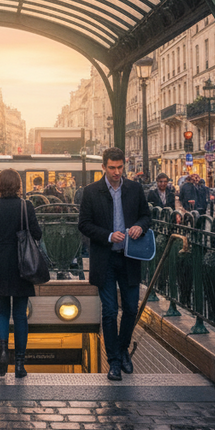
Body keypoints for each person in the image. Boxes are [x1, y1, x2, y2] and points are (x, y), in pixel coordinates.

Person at [78, 147, 151, 381]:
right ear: (103, 167)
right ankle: (114, 361)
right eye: (112, 168)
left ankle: (122, 348)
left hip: (130, 258)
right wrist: (109, 235)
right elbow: (84, 225)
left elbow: (146, 216)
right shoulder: (91, 192)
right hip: (105, 259)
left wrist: (141, 226)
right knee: (109, 312)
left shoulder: (135, 189)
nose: (117, 172)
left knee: (131, 308)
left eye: (120, 167)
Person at [0, 168, 41, 378]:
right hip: (22, 265)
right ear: (18, 185)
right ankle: (20, 364)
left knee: (2, 312)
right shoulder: (26, 206)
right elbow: (37, 234)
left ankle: (3, 352)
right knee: (20, 315)